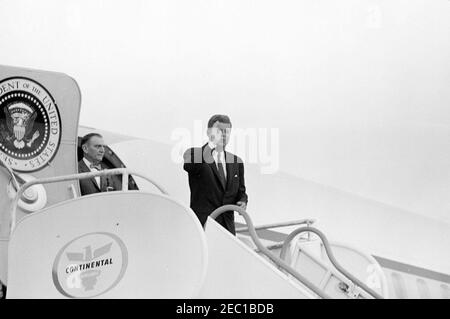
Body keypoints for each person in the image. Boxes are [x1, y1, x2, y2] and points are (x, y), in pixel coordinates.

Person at [183, 114, 248, 235]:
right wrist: (212, 143)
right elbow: (191, 166)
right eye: (219, 131)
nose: (223, 134)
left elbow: (241, 193)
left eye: (226, 131)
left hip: (227, 230)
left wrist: (243, 201)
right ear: (208, 132)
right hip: (203, 227)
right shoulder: (194, 153)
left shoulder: (236, 162)